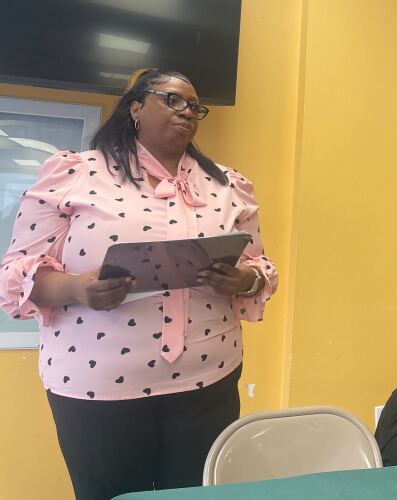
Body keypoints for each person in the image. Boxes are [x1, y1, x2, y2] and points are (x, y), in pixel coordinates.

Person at [0, 69, 278, 499]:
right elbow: (14, 272)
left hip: (208, 381)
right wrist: (76, 289)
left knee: (196, 495)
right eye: (172, 99)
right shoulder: (75, 173)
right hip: (100, 388)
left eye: (194, 106)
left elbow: (258, 264)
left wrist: (244, 280)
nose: (188, 111)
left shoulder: (228, 185)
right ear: (134, 106)